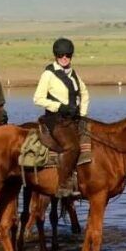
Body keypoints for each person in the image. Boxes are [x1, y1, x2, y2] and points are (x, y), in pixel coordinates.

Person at [33, 38, 89, 198]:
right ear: (55, 56)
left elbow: (84, 93)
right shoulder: (48, 75)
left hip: (73, 119)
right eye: (61, 55)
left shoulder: (74, 74)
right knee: (72, 146)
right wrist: (58, 106)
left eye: (68, 55)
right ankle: (63, 185)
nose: (64, 58)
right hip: (55, 120)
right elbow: (38, 98)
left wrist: (83, 115)